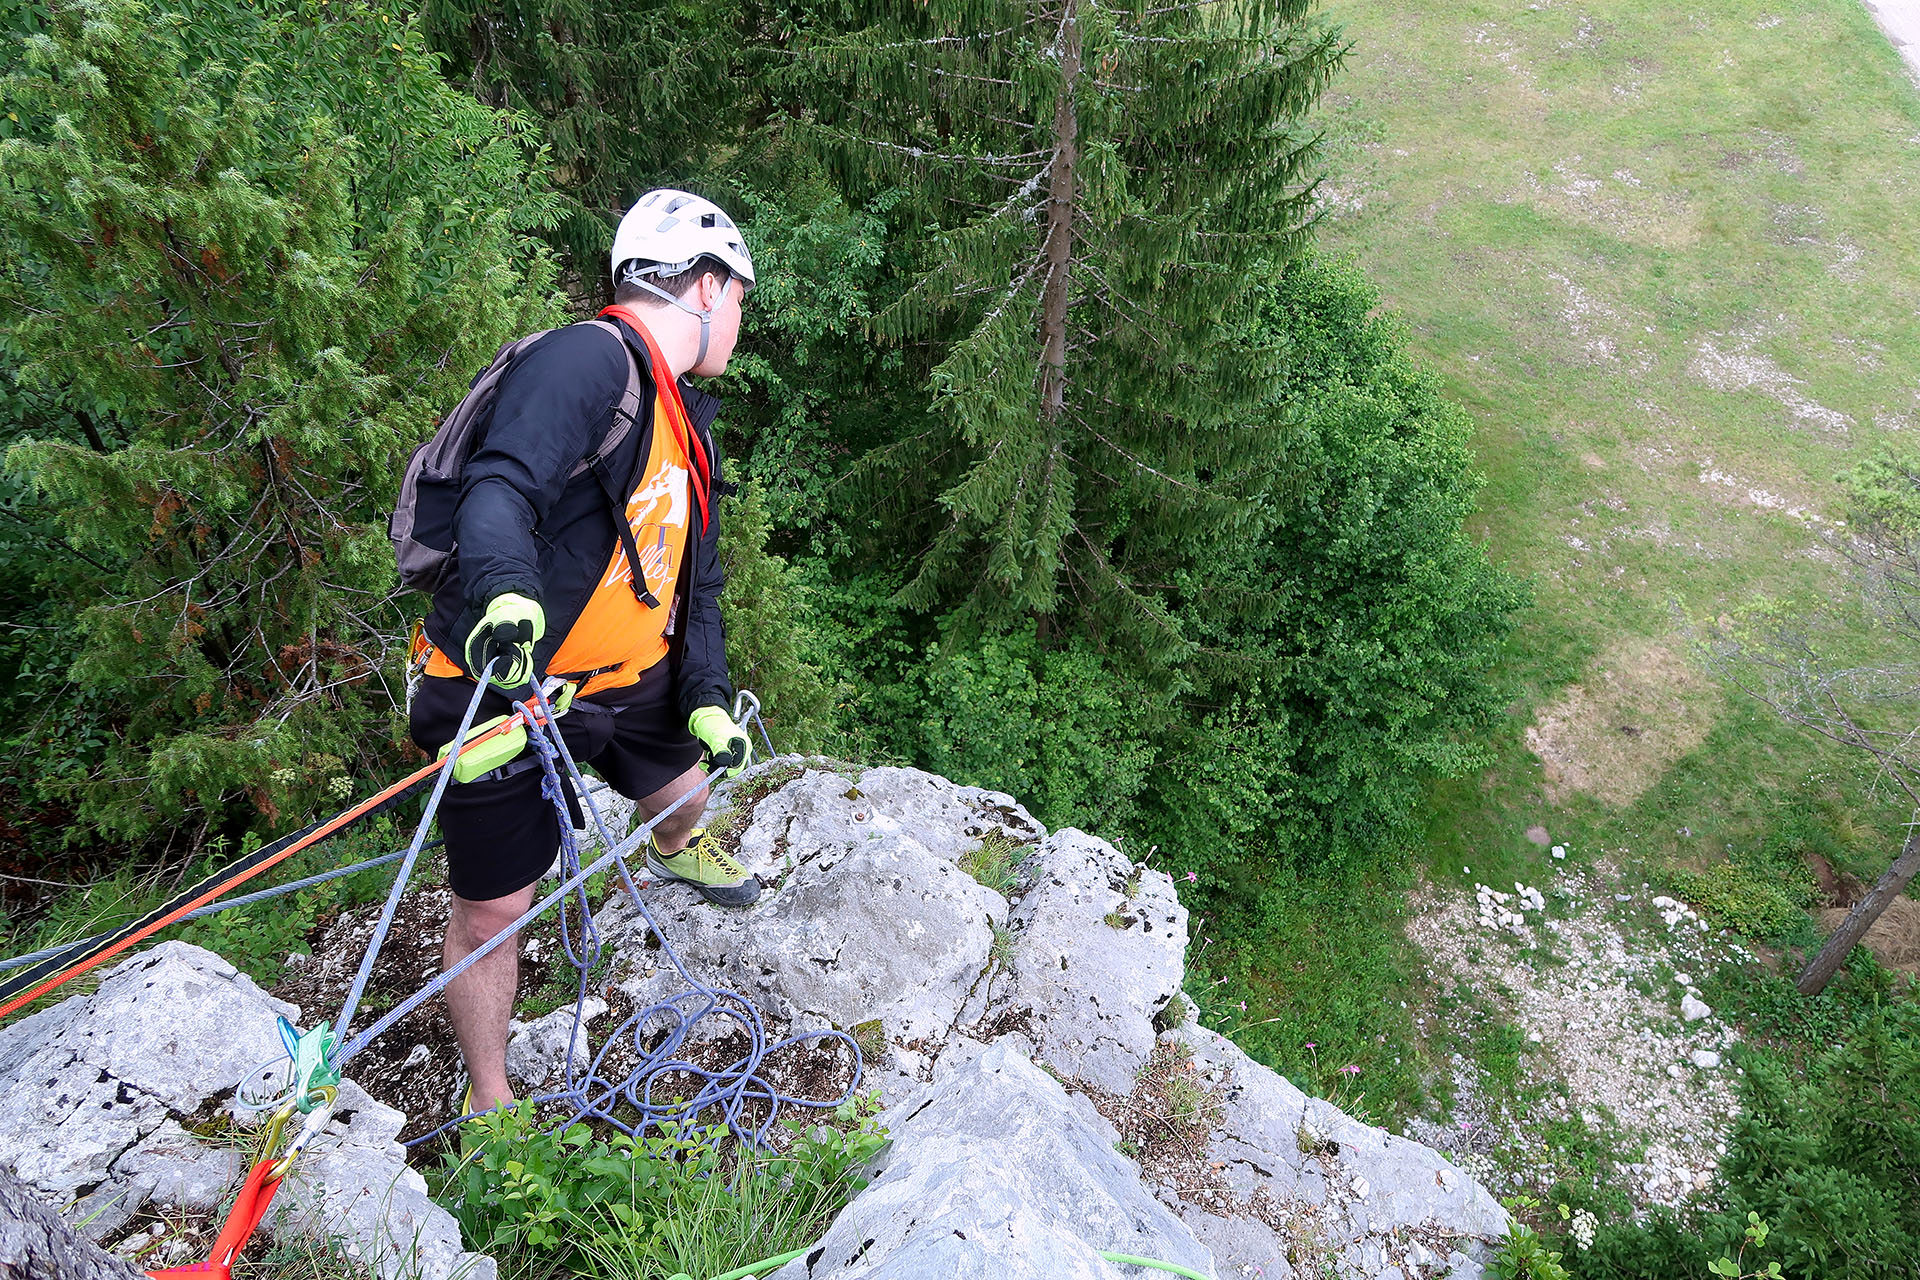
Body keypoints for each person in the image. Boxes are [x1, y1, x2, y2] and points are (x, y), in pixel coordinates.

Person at [408, 189, 761, 1113]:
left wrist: (708, 696)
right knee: (494, 910)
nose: (739, 325)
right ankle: (489, 1101)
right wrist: (505, 593)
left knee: (685, 796)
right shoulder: (588, 361)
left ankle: (678, 843)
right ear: (708, 287)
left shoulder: (683, 419)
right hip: (505, 679)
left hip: (625, 677)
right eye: (740, 301)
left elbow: (696, 582)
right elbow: (500, 488)